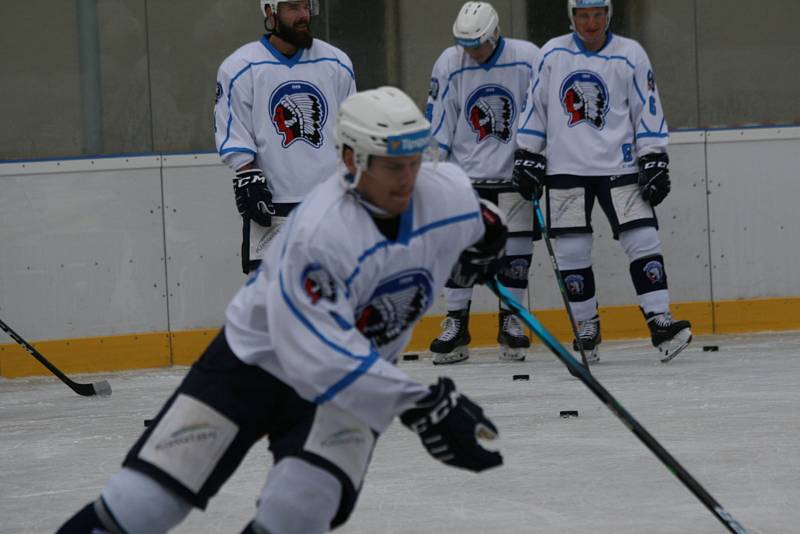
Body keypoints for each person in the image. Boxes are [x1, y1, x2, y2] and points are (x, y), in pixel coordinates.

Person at [57, 87, 505, 534]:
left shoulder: (444, 192)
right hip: (254, 366)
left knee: (300, 514)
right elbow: (324, 355)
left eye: (413, 162)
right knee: (145, 503)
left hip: (351, 387)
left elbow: (480, 216)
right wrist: (421, 404)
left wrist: (488, 237)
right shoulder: (321, 233)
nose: (408, 179)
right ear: (351, 160)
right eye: (392, 166)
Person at [513, 0, 692, 363]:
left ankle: (660, 320)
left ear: (608, 15)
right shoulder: (551, 54)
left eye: (597, 15)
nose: (591, 23)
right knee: (571, 251)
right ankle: (586, 327)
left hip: (620, 166)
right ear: (572, 16)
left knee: (643, 238)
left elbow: (648, 108)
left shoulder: (630, 54)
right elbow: (536, 108)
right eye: (583, 15)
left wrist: (654, 155)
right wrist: (528, 153)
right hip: (565, 168)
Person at [425, 1, 542, 364]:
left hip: (513, 173)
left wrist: (535, 156)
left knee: (518, 248)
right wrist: (432, 170)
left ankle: (511, 320)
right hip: (465, 175)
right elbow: (438, 118)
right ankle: (457, 323)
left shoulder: (527, 57)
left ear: (494, 34)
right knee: (459, 248)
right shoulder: (449, 62)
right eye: (464, 44)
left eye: (476, 43)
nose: (470, 51)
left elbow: (540, 110)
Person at [214, 0, 356, 274]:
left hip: (330, 203)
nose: (304, 15)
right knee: (272, 306)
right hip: (272, 205)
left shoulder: (336, 62)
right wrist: (247, 176)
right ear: (270, 12)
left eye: (307, 6)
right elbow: (233, 132)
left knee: (335, 301)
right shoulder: (240, 67)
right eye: (293, 7)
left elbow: (353, 131)